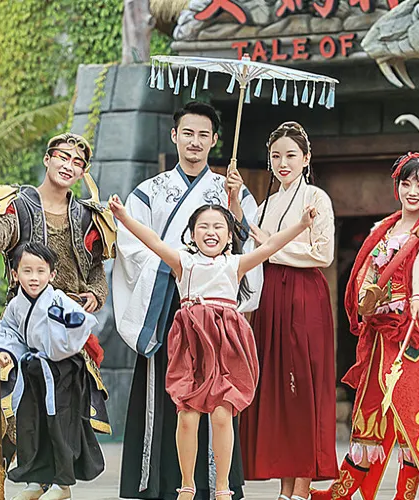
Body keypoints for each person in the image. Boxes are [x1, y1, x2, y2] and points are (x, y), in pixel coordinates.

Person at [109, 196, 316, 500]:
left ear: (229, 235)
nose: (211, 231)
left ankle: (222, 487)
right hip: (191, 345)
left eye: (218, 226)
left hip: (226, 344)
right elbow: (153, 240)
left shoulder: (235, 264)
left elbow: (270, 246)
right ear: (192, 234)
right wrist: (124, 217)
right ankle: (187, 485)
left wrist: (302, 224)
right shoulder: (183, 262)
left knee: (222, 415)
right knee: (187, 415)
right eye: (203, 226)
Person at [113, 101, 262, 500]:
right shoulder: (149, 192)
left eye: (203, 135)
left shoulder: (231, 190)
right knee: (171, 396)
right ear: (174, 135)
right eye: (188, 133)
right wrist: (178, 268)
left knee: (219, 399)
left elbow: (249, 244)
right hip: (167, 303)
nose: (195, 142)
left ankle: (218, 484)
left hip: (214, 317)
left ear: (215, 141)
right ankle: (160, 483)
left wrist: (234, 204)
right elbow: (131, 245)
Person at [0, 132, 111, 499]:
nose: (69, 165)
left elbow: (96, 268)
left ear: (82, 172)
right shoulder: (18, 205)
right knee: (1, 410)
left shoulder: (87, 216)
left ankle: (50, 483)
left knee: (62, 416)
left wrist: (95, 295)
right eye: (63, 157)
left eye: (77, 162)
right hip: (21, 326)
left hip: (65, 332)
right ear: (47, 159)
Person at [311, 153, 419, 500]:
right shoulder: (383, 229)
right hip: (378, 334)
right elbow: (367, 274)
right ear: (397, 186)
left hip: (410, 332)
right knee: (368, 410)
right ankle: (342, 493)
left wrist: (417, 296)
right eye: (407, 183)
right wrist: (364, 297)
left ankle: (404, 497)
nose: (413, 191)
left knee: (411, 415)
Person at [238, 121, 337, 500]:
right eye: (276, 156)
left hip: (303, 295)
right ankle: (286, 486)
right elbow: (252, 246)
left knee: (303, 384)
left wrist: (271, 246)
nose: (283, 163)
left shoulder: (316, 198)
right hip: (271, 297)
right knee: (278, 386)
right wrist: (235, 202)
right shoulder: (266, 204)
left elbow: (322, 253)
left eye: (291, 155)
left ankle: (303, 484)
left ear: (306, 158)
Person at [0, 242, 105, 500]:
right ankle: (35, 480)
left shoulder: (58, 301)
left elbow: (79, 324)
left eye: (40, 271)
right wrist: (4, 352)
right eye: (27, 271)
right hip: (33, 370)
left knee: (60, 425)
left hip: (63, 372)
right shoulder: (16, 305)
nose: (34, 277)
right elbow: (8, 332)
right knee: (30, 424)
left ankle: (62, 484)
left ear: (52, 274)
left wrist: (65, 324)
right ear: (15, 274)